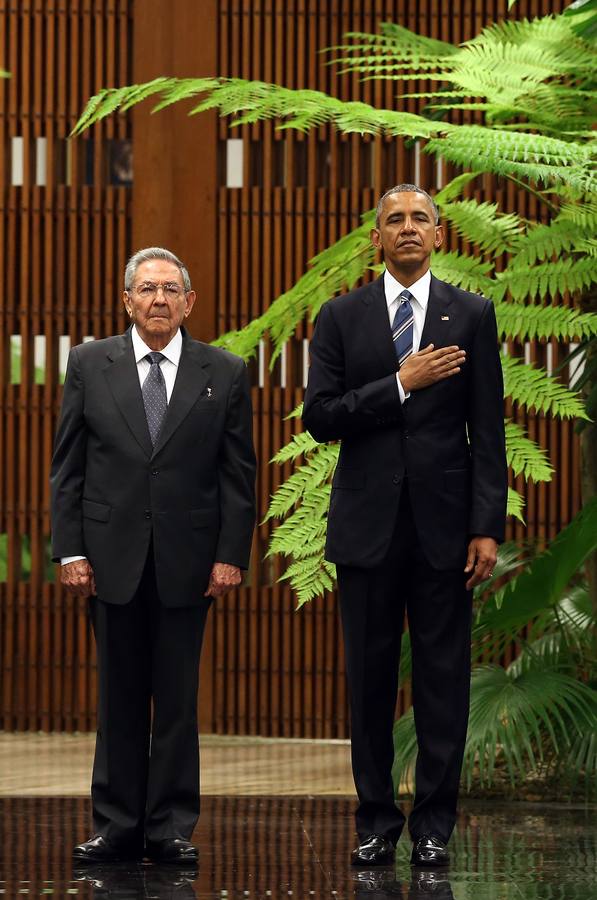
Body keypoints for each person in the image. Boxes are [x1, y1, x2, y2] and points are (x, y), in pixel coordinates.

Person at [302, 185, 507, 868]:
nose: (408, 228)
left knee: (442, 681)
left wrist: (486, 526)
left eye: (420, 218)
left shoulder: (472, 314)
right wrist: (400, 381)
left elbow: (487, 429)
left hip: (447, 530)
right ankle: (374, 821)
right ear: (376, 239)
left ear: (440, 235)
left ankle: (432, 827)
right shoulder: (339, 317)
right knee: (368, 680)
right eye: (395, 220)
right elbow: (321, 416)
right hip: (366, 528)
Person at [50, 247, 256, 865]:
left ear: (189, 302)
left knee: (175, 701)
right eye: (147, 289)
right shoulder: (90, 363)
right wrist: (70, 550)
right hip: (107, 558)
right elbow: (68, 468)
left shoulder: (224, 369)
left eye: (171, 289)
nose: (159, 299)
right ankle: (115, 825)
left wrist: (230, 555)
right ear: (127, 301)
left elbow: (237, 475)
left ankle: (169, 827)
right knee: (116, 699)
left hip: (189, 562)